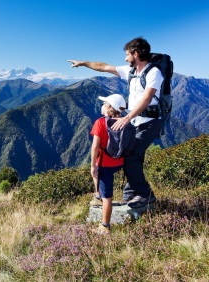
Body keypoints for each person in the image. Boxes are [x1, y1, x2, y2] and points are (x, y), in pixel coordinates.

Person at [68, 37, 163, 208]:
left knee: (131, 156)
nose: (126, 59)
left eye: (127, 55)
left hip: (150, 122)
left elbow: (148, 97)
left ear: (136, 53)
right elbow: (104, 67)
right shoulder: (131, 71)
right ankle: (130, 194)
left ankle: (145, 195)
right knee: (133, 155)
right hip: (135, 122)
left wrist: (126, 117)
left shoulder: (153, 73)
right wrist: (83, 63)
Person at [90, 94, 126, 234]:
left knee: (108, 197)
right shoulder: (125, 121)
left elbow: (94, 147)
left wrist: (93, 165)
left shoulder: (100, 122)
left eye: (105, 103)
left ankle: (105, 226)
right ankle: (98, 195)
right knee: (98, 176)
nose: (103, 104)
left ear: (109, 107)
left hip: (105, 163)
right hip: (120, 161)